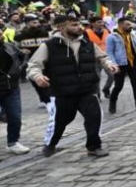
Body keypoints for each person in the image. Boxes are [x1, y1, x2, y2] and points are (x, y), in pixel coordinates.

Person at [27, 15, 119, 158]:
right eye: (74, 25)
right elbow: (34, 65)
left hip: (86, 89)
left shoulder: (87, 43)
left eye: (79, 24)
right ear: (61, 27)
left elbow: (102, 57)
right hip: (64, 91)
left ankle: (94, 146)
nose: (79, 27)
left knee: (94, 117)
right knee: (61, 121)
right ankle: (51, 144)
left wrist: (109, 64)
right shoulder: (49, 45)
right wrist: (37, 76)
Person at [106, 17, 136, 114]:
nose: (130, 26)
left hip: (133, 63)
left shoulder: (133, 35)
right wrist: (114, 64)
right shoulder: (112, 37)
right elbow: (109, 52)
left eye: (130, 24)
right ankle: (112, 102)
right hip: (120, 64)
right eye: (128, 24)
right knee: (118, 86)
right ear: (121, 25)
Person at [0, 30, 30, 154]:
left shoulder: (9, 46)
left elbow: (23, 55)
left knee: (15, 117)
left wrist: (20, 68)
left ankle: (13, 142)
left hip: (11, 87)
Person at [15, 14, 50, 108]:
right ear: (27, 24)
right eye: (34, 22)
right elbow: (15, 49)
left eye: (38, 22)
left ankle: (49, 100)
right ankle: (44, 99)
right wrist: (21, 51)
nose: (37, 24)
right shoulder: (20, 37)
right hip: (30, 62)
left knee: (47, 80)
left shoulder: (45, 33)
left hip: (46, 61)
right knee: (36, 82)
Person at [84, 17, 114, 99]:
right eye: (99, 22)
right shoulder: (86, 33)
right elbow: (84, 46)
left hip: (106, 58)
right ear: (93, 23)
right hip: (94, 59)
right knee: (97, 78)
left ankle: (106, 89)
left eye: (102, 22)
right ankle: (97, 94)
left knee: (112, 75)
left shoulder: (107, 31)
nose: (102, 24)